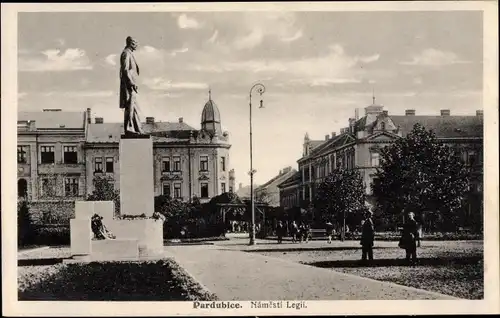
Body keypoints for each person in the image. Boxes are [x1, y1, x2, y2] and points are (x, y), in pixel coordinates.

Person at [120, 36, 145, 135]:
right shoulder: (126, 53)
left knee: (133, 107)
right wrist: (131, 83)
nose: (137, 45)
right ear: (131, 43)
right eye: (135, 42)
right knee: (129, 106)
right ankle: (128, 128)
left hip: (131, 85)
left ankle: (137, 128)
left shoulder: (129, 53)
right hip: (128, 85)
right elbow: (125, 70)